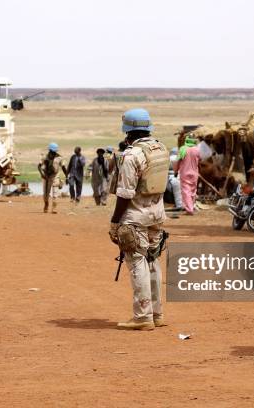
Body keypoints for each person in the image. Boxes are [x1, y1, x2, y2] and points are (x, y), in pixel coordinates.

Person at [109, 108, 169, 331]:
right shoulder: (160, 149)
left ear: (128, 131)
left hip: (135, 217)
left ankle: (143, 317)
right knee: (153, 261)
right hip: (157, 215)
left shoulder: (131, 155)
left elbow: (125, 193)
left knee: (137, 263)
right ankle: (157, 313)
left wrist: (115, 222)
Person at [38, 142, 67, 214]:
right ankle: (46, 204)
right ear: (49, 150)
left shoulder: (60, 158)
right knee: (45, 193)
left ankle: (54, 208)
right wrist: (42, 174)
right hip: (46, 176)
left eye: (54, 151)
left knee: (55, 193)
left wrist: (67, 176)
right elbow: (39, 166)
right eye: (52, 151)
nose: (53, 153)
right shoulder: (45, 157)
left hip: (55, 176)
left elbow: (63, 167)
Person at [176, 135, 200, 215]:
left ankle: (189, 209)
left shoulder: (183, 149)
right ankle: (191, 206)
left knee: (186, 191)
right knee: (193, 190)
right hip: (194, 173)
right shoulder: (197, 150)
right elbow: (200, 159)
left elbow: (177, 161)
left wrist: (176, 171)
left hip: (184, 173)